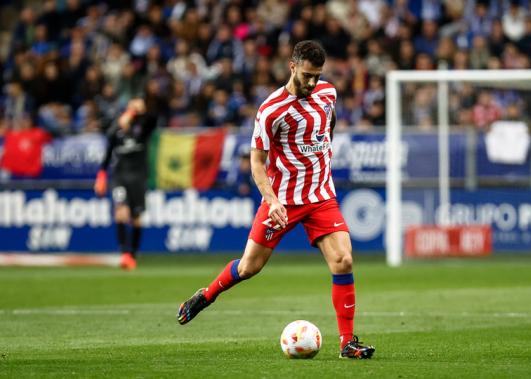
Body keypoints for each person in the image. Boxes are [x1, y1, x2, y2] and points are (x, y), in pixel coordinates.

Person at [176, 40, 375, 359]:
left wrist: (323, 148)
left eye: (317, 76)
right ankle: (207, 295)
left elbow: (329, 121)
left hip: (321, 195)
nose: (312, 82)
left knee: (344, 260)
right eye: (307, 75)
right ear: (292, 66)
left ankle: (346, 342)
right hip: (283, 199)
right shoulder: (271, 110)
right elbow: (257, 162)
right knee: (250, 266)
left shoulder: (327, 93)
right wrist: (272, 200)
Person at [94, 98, 157, 270]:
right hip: (120, 176)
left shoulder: (143, 128)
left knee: (136, 218)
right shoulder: (118, 129)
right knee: (121, 212)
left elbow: (153, 119)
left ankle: (133, 254)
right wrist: (101, 175)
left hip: (138, 177)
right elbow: (108, 151)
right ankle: (124, 254)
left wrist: (139, 112)